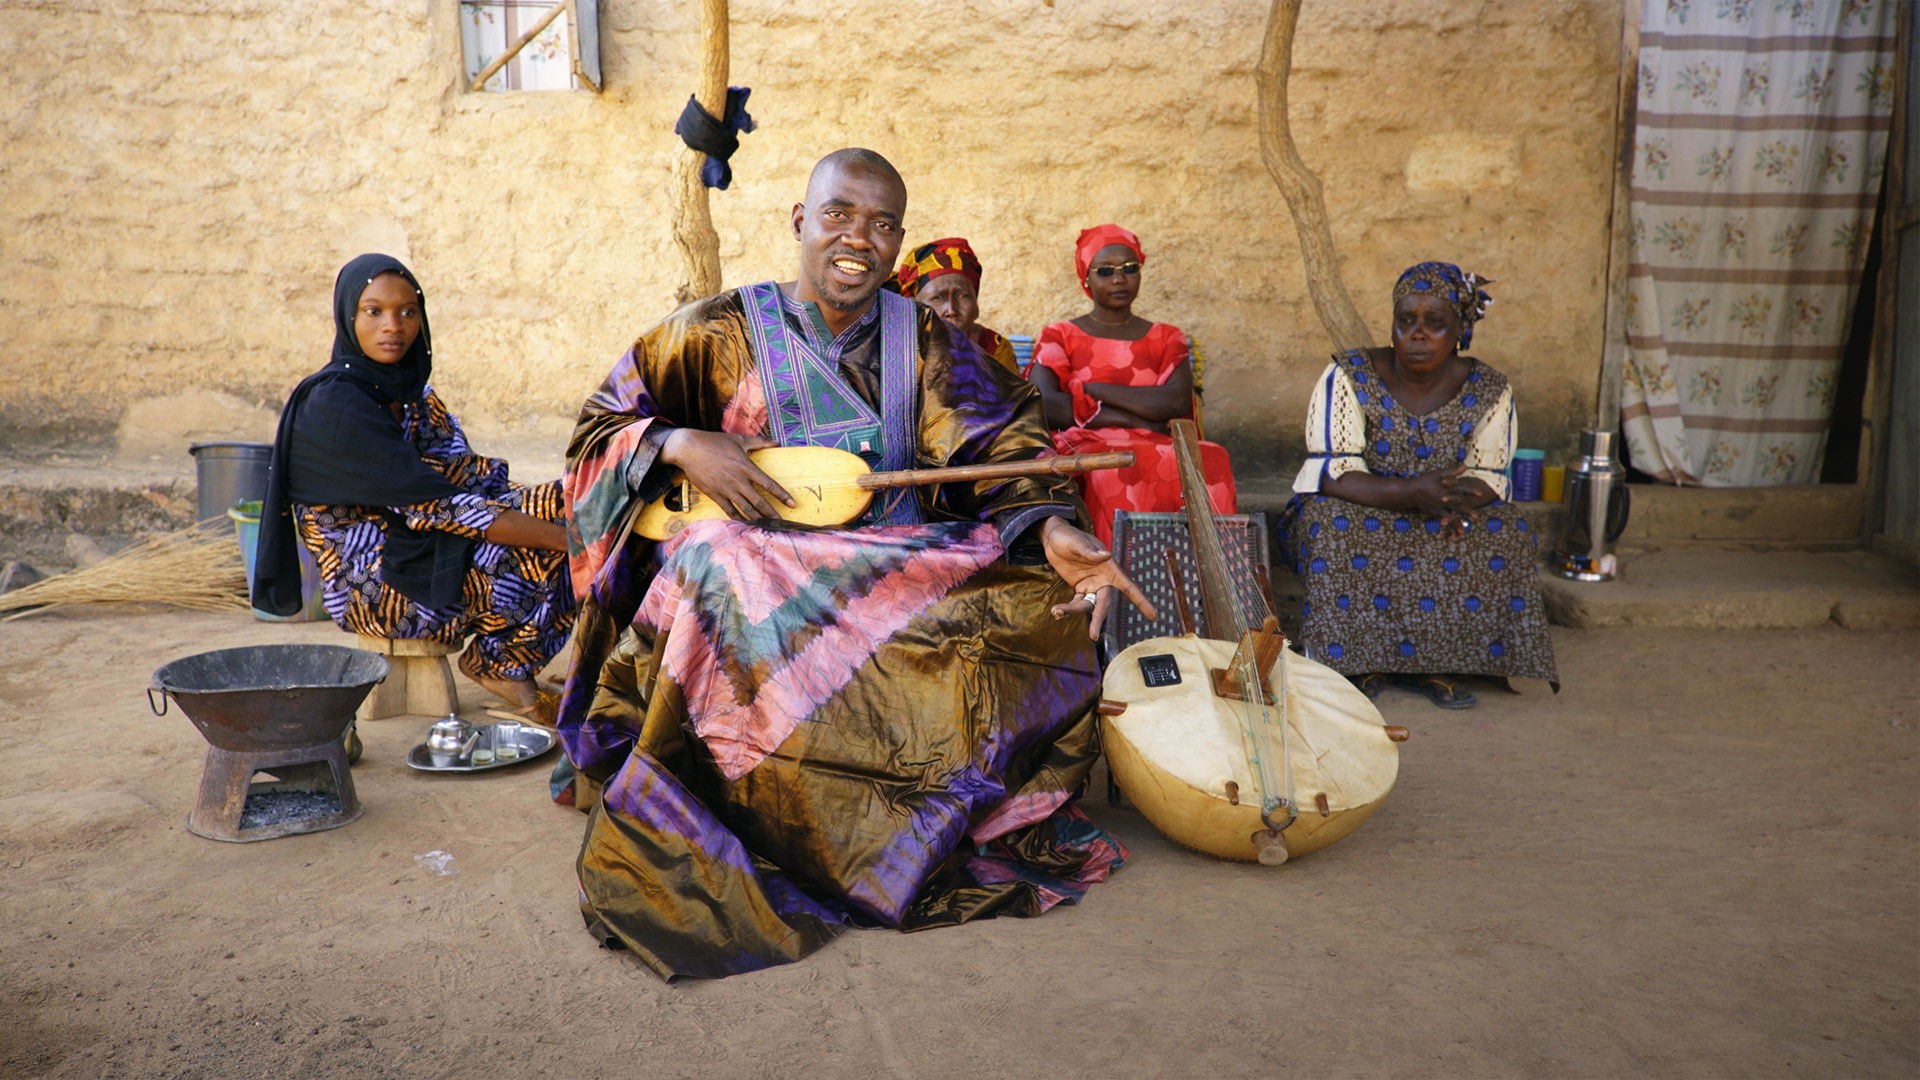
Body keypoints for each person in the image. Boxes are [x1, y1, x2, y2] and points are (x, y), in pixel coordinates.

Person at [556, 149, 1155, 981]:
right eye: (838, 214)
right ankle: (753, 814)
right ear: (801, 221)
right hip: (751, 570)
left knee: (1040, 604)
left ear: (897, 241)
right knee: (716, 558)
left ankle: (910, 827)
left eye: (880, 224)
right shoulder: (713, 330)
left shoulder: (930, 344)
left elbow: (1008, 447)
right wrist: (682, 442)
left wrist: (1053, 525)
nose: (857, 238)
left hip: (891, 567)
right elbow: (596, 432)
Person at [254, 254, 575, 723]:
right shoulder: (335, 406)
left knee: (579, 508)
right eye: (374, 311)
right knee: (538, 549)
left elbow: (465, 474)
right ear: (348, 316)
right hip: (375, 583)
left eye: (408, 311)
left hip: (424, 539)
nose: (394, 326)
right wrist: (563, 538)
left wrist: (561, 502)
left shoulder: (413, 395)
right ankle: (500, 667)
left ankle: (511, 659)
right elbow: (438, 506)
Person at [1278, 261, 1558, 708]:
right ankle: (1353, 659)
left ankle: (1441, 663)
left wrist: (1453, 501)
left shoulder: (1488, 388)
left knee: (1504, 532)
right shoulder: (1350, 375)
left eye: (1435, 323)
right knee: (1328, 526)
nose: (1418, 334)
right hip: (1363, 504)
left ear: (1460, 331)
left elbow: (1488, 472)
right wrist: (1410, 494)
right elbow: (1330, 472)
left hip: (1442, 506)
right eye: (1406, 321)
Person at [1029, 224, 1236, 547]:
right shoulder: (1060, 335)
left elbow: (1174, 403)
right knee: (1114, 468)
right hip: (1087, 443)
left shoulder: (1167, 336)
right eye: (1105, 270)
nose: (1119, 278)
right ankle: (1121, 581)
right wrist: (1128, 418)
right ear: (1086, 277)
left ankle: (1209, 581)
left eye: (1129, 268)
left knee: (1213, 456)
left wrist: (1094, 389)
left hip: (1156, 440)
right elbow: (1045, 404)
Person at [891, 236, 1020, 372]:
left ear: (976, 307)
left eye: (963, 296)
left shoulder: (995, 349)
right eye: (937, 297)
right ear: (913, 307)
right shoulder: (895, 349)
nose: (951, 310)